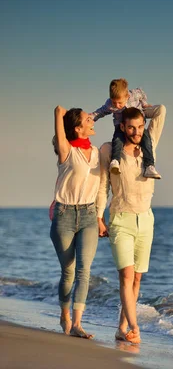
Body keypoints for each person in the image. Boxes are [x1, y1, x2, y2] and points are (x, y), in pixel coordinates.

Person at [96, 104, 167, 344]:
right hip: (121, 219)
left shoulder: (150, 146)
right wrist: (98, 216)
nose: (137, 131)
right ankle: (135, 326)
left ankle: (122, 327)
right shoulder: (109, 151)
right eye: (132, 127)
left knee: (136, 278)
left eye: (140, 126)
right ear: (122, 127)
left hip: (146, 220)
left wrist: (141, 108)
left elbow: (162, 111)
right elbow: (103, 185)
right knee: (126, 276)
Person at [50, 105, 102, 339]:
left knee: (84, 270)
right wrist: (57, 113)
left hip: (90, 215)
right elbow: (60, 130)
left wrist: (100, 217)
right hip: (65, 216)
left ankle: (78, 324)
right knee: (68, 271)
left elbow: (102, 187)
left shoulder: (98, 153)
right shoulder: (67, 151)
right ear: (77, 128)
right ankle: (65, 315)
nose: (92, 120)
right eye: (86, 119)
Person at [90, 78, 162, 179]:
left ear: (127, 96)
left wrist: (144, 103)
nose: (117, 106)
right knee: (117, 140)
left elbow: (141, 93)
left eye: (119, 102)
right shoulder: (110, 104)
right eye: (114, 102)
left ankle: (149, 166)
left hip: (136, 121)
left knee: (146, 140)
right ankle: (115, 161)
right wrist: (92, 117)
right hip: (120, 124)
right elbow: (101, 111)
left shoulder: (133, 94)